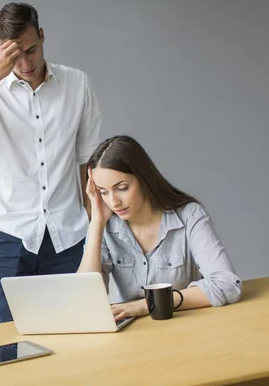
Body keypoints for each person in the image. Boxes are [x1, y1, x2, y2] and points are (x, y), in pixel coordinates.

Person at [0, 2, 102, 324]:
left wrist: (97, 233)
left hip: (69, 233)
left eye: (31, 50)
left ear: (41, 36)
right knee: (13, 345)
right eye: (13, 56)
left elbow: (87, 165)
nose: (25, 63)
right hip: (6, 237)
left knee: (81, 335)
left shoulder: (77, 84)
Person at [78, 135, 242, 322]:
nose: (113, 202)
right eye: (103, 192)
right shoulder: (106, 227)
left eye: (122, 188)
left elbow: (227, 284)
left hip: (188, 329)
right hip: (134, 336)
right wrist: (97, 222)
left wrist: (148, 304)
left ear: (144, 179)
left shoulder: (189, 216)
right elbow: (84, 300)